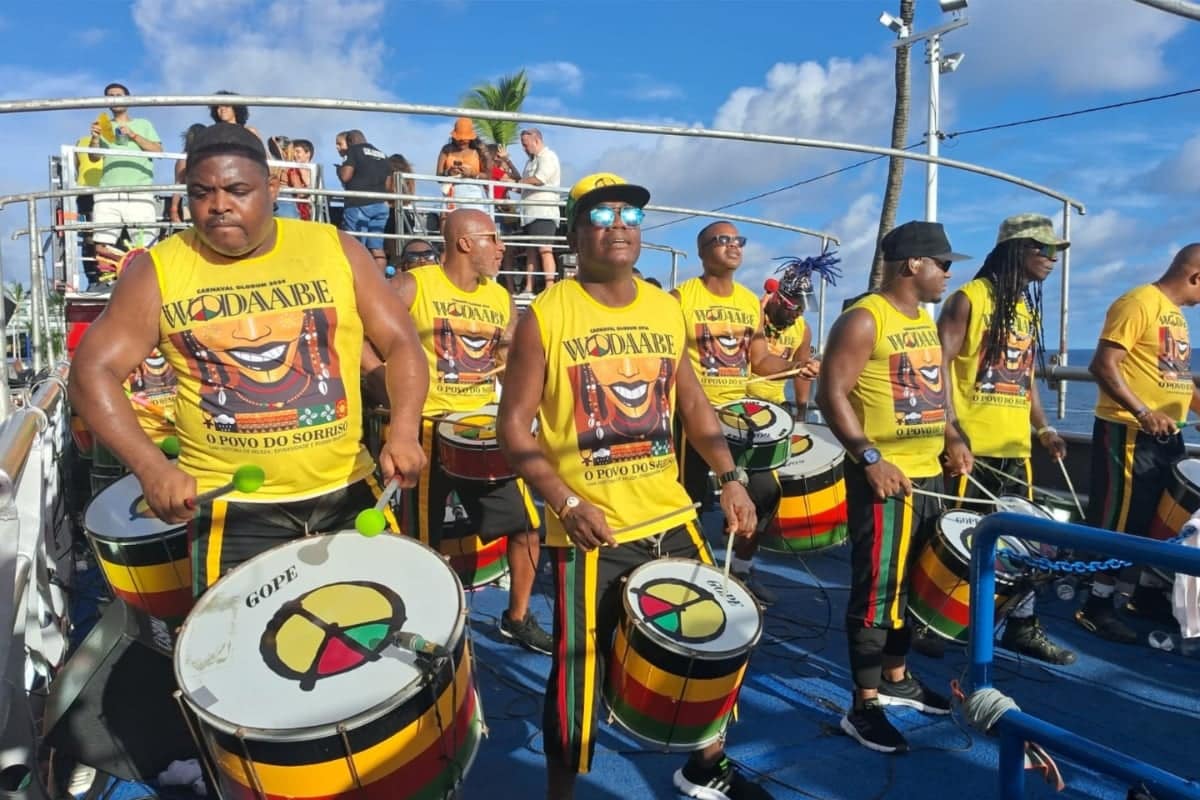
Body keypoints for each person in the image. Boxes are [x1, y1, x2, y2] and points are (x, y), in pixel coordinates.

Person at [497, 173, 770, 800]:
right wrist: (565, 500)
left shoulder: (664, 308)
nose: (619, 224)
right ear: (575, 233)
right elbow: (513, 431)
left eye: (630, 215)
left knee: (719, 637)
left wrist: (729, 477)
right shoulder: (547, 315)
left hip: (670, 515)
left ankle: (707, 767)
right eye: (602, 214)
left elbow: (696, 406)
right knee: (577, 674)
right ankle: (561, 793)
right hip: (587, 529)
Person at [67, 123, 428, 596]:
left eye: (238, 190)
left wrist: (403, 430)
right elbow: (92, 372)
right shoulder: (158, 269)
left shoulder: (334, 248)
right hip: (230, 510)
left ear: (272, 187)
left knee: (375, 636)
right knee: (238, 655)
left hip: (348, 491)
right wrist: (152, 469)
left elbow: (402, 343)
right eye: (201, 193)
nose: (219, 205)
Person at [364, 208, 551, 653]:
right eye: (493, 238)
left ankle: (518, 617)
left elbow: (505, 352)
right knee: (422, 541)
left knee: (528, 524)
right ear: (465, 242)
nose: (502, 246)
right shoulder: (415, 284)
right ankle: (428, 624)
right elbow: (357, 332)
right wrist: (380, 379)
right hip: (425, 431)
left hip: (482, 433)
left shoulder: (500, 296)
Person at [816, 220, 965, 753]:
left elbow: (935, 391)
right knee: (877, 591)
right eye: (943, 263)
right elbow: (830, 394)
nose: (949, 273)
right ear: (913, 266)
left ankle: (897, 678)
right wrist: (870, 458)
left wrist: (952, 435)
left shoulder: (922, 323)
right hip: (884, 481)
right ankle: (864, 704)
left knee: (912, 587)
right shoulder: (864, 319)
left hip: (928, 474)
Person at [938, 213, 1076, 665]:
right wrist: (951, 431)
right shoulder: (969, 300)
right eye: (1044, 249)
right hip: (972, 450)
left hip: (1016, 449)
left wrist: (1044, 427)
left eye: (1056, 251)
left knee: (1026, 543)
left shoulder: (1024, 309)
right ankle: (936, 621)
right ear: (1016, 250)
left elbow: (1025, 377)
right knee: (960, 539)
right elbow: (935, 370)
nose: (1052, 260)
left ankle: (1021, 624)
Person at [672, 221, 801, 607]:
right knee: (687, 500)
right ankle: (680, 573)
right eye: (722, 240)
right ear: (701, 250)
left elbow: (759, 360)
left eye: (738, 240)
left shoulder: (749, 302)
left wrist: (798, 364)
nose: (733, 246)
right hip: (692, 416)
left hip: (739, 416)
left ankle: (741, 571)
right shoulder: (679, 298)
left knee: (765, 492)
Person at [1075, 243, 1200, 642]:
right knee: (1120, 521)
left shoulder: (1176, 318)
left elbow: (1175, 378)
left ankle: (1145, 594)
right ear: (1195, 276)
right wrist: (1144, 413)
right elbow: (1103, 365)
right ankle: (1095, 605)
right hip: (1129, 432)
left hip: (1168, 434)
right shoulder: (1137, 303)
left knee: (1162, 518)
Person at [746, 253, 840, 417]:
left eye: (803, 309)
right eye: (795, 308)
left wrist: (802, 414)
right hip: (742, 401)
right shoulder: (752, 316)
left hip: (775, 405)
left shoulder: (802, 329)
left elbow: (801, 371)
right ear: (777, 298)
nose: (798, 314)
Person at [89, 82, 163, 284]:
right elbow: (94, 158)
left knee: (146, 243)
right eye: (110, 95)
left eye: (119, 95)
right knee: (102, 243)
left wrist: (132, 134)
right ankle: (109, 283)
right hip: (108, 191)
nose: (114, 98)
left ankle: (145, 284)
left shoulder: (144, 124)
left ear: (129, 99)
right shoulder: (103, 126)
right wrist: (95, 138)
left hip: (140, 190)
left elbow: (158, 152)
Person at [516, 128, 562, 295]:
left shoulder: (548, 157)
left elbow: (539, 179)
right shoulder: (531, 161)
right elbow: (524, 185)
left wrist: (520, 182)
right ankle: (529, 287)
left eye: (525, 144)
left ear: (536, 141)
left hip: (543, 211)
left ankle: (549, 287)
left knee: (545, 249)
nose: (524, 148)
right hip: (529, 213)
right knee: (531, 252)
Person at [337, 129, 392, 270]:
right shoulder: (382, 154)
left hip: (359, 203)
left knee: (355, 246)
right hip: (381, 205)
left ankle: (357, 283)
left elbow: (345, 176)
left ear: (350, 142)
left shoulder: (353, 151)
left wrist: (339, 170)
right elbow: (388, 184)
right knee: (377, 248)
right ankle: (380, 282)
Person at [74, 125, 104, 291]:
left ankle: (96, 277)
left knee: (93, 236)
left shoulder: (80, 142)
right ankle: (95, 277)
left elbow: (75, 167)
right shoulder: (81, 142)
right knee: (93, 236)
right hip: (90, 194)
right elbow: (76, 166)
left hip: (90, 193)